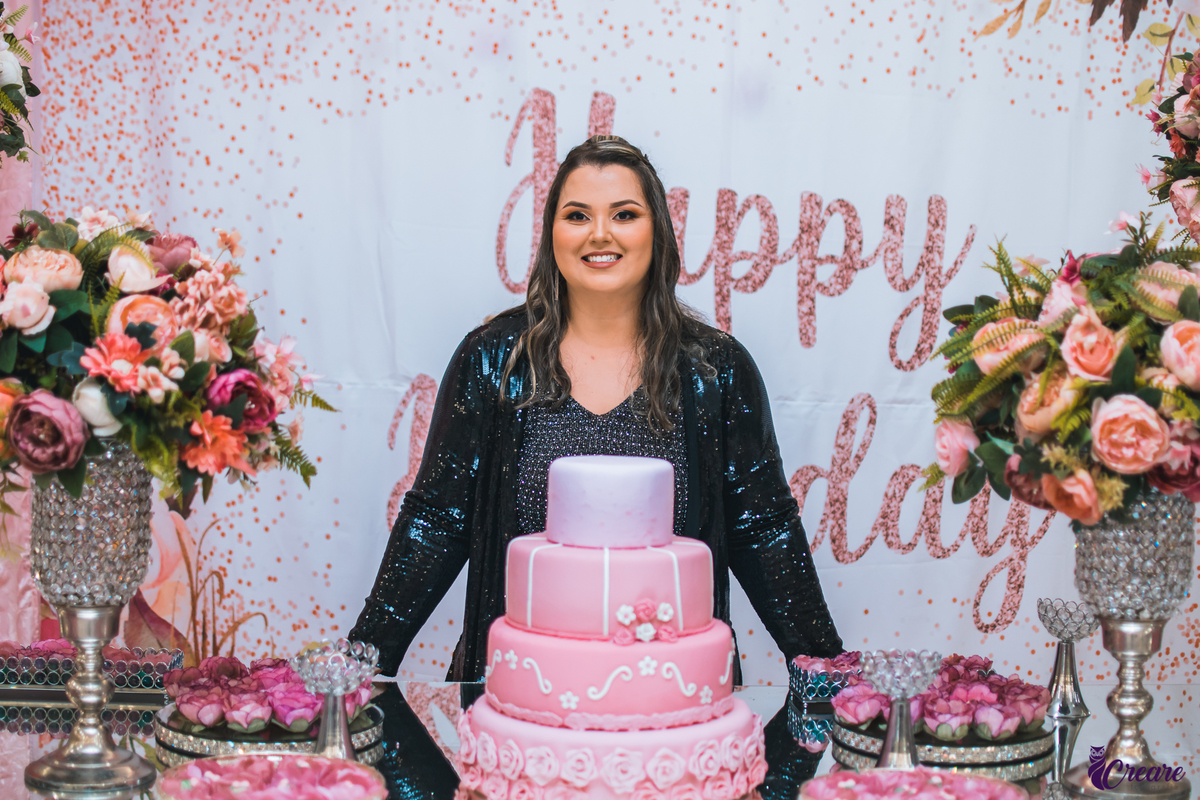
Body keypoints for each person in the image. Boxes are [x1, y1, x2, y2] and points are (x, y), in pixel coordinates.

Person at [350, 135, 843, 684]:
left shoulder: (717, 370)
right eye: (577, 215)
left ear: (657, 231)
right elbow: (436, 524)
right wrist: (358, 669)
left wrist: (831, 672)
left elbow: (764, 529)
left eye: (624, 214)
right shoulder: (491, 358)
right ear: (551, 235)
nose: (600, 234)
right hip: (515, 697)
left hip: (677, 704)